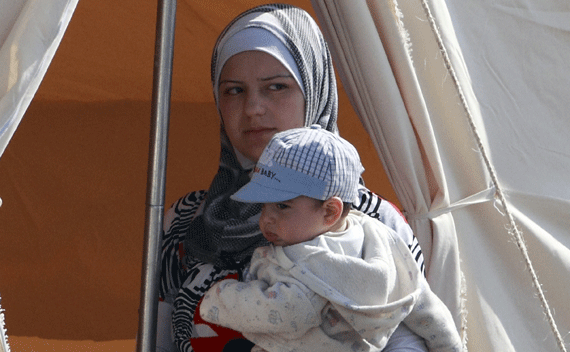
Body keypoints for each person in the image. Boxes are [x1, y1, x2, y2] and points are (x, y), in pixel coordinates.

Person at [158, 4, 429, 352]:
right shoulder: (186, 220)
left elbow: (412, 334)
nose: (253, 108)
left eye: (276, 87)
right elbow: (158, 339)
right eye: (234, 91)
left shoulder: (373, 223)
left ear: (314, 89)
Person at [199, 126, 462, 352]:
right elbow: (421, 300)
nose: (266, 219)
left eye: (281, 206)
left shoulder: (303, 259)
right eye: (263, 205)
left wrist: (220, 298)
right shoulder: (378, 237)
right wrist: (449, 346)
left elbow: (292, 312)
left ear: (329, 211)